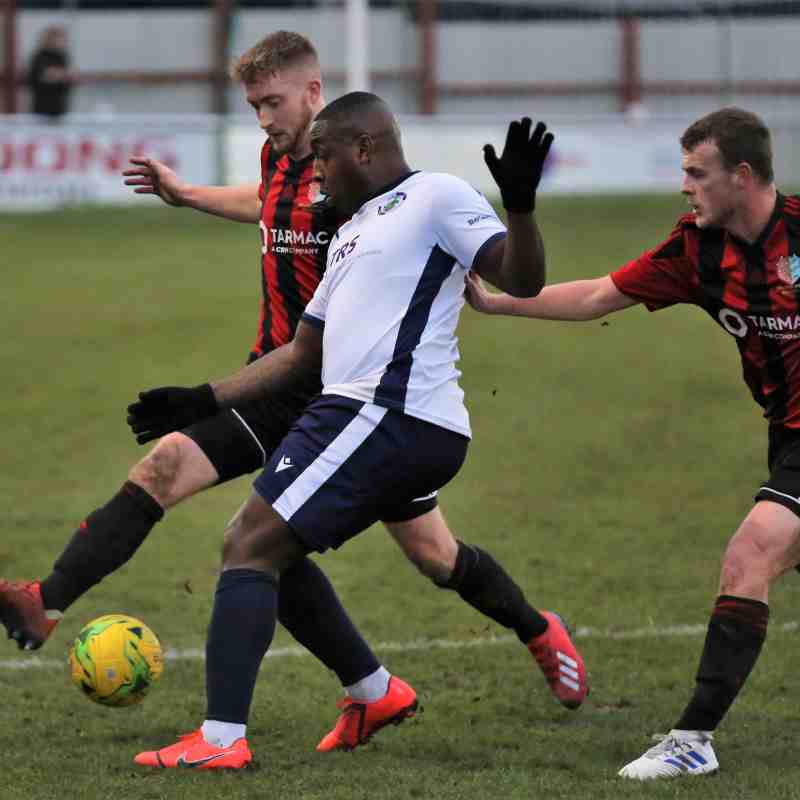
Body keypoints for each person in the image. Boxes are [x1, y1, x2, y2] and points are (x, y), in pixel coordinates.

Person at [0, 32, 586, 755]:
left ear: (315, 95)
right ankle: (50, 600)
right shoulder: (291, 167)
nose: (263, 118)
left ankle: (523, 633)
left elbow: (495, 269)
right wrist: (187, 198)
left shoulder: (377, 190)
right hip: (285, 381)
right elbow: (269, 209)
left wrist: (517, 213)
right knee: (199, 490)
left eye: (272, 102)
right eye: (253, 105)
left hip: (351, 397)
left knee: (423, 553)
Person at [122, 90, 570, 770]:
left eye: (324, 157)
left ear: (363, 148)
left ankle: (220, 740)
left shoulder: (437, 196)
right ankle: (374, 692)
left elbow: (522, 279)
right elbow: (301, 352)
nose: (317, 173)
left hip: (387, 411)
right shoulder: (351, 233)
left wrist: (522, 208)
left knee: (248, 543)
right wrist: (202, 399)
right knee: (280, 549)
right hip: (368, 414)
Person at [465, 106, 799, 780]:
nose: (684, 185)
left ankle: (693, 739)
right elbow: (598, 295)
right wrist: (500, 303)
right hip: (786, 436)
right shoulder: (697, 250)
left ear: (741, 175)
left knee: (750, 554)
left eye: (696, 173)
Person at [28, 26, 72, 120]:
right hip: (42, 106)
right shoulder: (39, 56)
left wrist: (59, 76)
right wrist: (56, 75)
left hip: (59, 106)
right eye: (56, 38)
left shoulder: (62, 57)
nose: (59, 42)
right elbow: (41, 76)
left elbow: (66, 77)